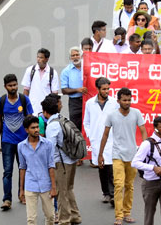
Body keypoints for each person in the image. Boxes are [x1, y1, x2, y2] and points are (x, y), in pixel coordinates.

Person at [99, 87, 148, 225]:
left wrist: (144, 149)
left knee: (129, 185)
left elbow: (144, 131)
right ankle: (119, 216)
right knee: (118, 185)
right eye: (124, 100)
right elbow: (105, 135)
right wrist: (100, 154)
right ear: (118, 100)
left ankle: (127, 213)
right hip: (117, 154)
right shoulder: (112, 115)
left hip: (133, 155)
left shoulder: (136, 113)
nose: (127, 102)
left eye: (129, 100)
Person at [0, 73, 34, 211]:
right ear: (5, 87)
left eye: (15, 85)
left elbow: (30, 120)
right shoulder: (0, 101)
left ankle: (21, 194)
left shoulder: (24, 100)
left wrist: (32, 139)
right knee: (7, 171)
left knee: (23, 168)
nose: (13, 88)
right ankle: (7, 199)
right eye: (10, 85)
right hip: (7, 141)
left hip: (23, 142)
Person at [43, 96, 82, 225]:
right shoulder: (63, 119)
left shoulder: (52, 126)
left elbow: (51, 148)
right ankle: (75, 216)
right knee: (69, 188)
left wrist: (50, 166)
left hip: (60, 163)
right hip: (71, 160)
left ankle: (64, 220)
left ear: (45, 112)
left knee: (61, 192)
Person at [84, 77, 119, 205]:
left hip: (110, 139)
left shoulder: (114, 103)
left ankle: (112, 193)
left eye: (108, 89)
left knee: (110, 166)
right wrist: (91, 135)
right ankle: (105, 193)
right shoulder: (89, 103)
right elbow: (86, 122)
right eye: (104, 89)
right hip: (96, 139)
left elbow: (117, 120)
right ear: (98, 89)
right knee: (101, 167)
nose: (106, 91)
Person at [18, 115, 58, 225]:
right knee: (31, 219)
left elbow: (51, 166)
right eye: (33, 128)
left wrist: (54, 187)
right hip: (30, 185)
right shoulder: (21, 146)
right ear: (26, 130)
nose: (36, 130)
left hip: (46, 185)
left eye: (37, 127)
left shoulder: (48, 144)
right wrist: (21, 190)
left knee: (50, 216)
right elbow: (22, 168)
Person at [22, 48, 60, 118]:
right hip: (32, 108)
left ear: (46, 59)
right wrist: (25, 106)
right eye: (37, 57)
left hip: (46, 110)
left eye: (41, 57)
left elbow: (54, 94)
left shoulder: (53, 73)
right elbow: (26, 90)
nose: (38, 59)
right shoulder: (30, 70)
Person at [60, 47, 87, 131]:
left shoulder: (88, 68)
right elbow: (64, 90)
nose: (75, 57)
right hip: (74, 102)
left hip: (87, 100)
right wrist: (77, 90)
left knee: (88, 124)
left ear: (81, 56)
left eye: (77, 55)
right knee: (75, 127)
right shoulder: (66, 71)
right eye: (73, 56)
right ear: (70, 58)